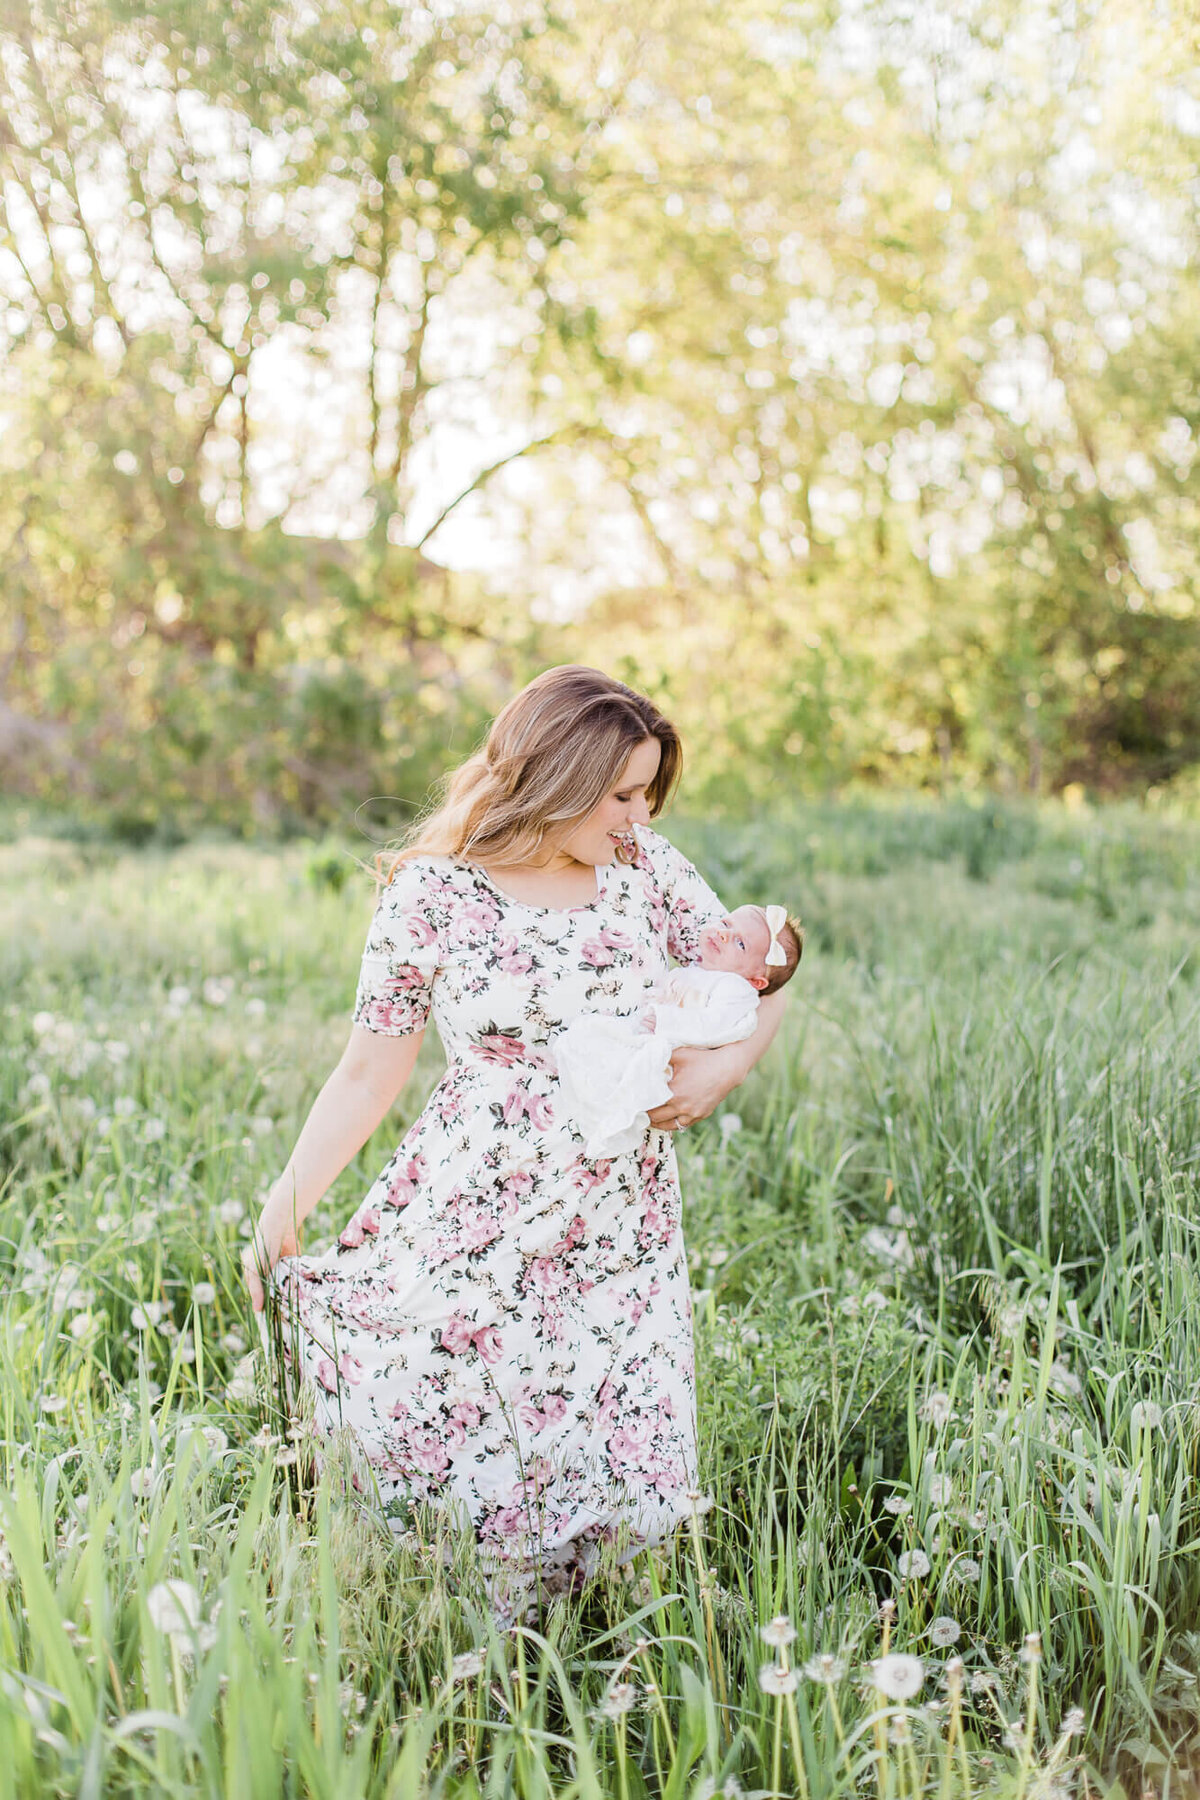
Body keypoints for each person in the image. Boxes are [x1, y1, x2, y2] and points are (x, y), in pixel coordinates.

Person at [240, 664, 788, 1619]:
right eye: (622, 794)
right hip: (478, 1193)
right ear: (557, 778)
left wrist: (724, 1069)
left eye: (650, 793)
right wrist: (284, 1203)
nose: (641, 816)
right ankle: (467, 1632)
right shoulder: (434, 898)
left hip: (619, 1205)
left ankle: (604, 1640)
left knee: (612, 1405)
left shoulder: (647, 873)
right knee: (469, 1396)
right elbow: (369, 1070)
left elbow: (762, 976)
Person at [554, 903, 803, 1157]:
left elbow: (712, 1026)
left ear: (755, 981)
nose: (724, 934)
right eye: (726, 923)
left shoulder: (736, 990)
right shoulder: (703, 971)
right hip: (653, 1036)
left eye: (740, 944)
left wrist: (665, 1019)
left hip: (671, 1056)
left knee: (629, 1074)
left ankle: (605, 1121)